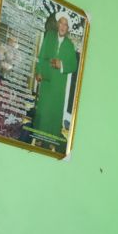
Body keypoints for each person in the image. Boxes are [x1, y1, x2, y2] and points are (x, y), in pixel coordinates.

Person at [31, 13, 79, 145]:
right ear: (58, 24)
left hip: (59, 86)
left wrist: (61, 64)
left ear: (68, 28)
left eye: (65, 24)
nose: (63, 26)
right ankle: (39, 139)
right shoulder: (49, 37)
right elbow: (41, 56)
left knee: (54, 113)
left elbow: (74, 66)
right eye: (61, 23)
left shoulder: (69, 45)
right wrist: (38, 72)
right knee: (43, 111)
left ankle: (50, 141)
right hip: (46, 81)